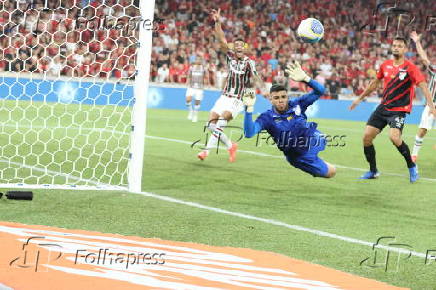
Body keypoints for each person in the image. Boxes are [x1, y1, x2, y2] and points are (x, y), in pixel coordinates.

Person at [349, 37, 436, 183]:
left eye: (399, 46)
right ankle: (373, 171)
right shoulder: (385, 65)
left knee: (394, 137)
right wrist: (360, 98)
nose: (396, 48)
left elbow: (423, 86)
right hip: (383, 107)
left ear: (405, 49)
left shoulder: (411, 68)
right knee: (366, 137)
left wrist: (432, 107)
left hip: (399, 110)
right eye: (394, 45)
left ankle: (412, 166)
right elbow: (375, 83)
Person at [243, 61, 336, 178]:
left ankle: (317, 154)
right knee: (331, 173)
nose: (280, 100)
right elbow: (249, 133)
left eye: (283, 97)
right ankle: (319, 163)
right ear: (271, 100)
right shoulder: (267, 118)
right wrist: (249, 109)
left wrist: (306, 79)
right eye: (276, 98)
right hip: (299, 156)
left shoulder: (297, 104)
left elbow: (320, 91)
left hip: (312, 138)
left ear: (287, 96)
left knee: (322, 139)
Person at [197, 8, 266, 162]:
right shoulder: (230, 58)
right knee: (210, 125)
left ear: (245, 48)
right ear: (234, 48)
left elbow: (256, 77)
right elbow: (221, 39)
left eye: (242, 45)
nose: (239, 46)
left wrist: (266, 92)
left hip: (237, 99)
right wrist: (218, 21)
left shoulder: (249, 63)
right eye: (236, 45)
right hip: (224, 97)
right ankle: (230, 145)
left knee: (221, 122)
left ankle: (206, 151)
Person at [409, 31, 436, 162]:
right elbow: (424, 58)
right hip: (432, 104)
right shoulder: (435, 70)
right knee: (423, 130)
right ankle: (414, 155)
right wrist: (417, 42)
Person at [185, 56, 207, 122]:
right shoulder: (191, 67)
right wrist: (187, 81)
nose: (198, 61)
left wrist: (206, 84)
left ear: (201, 61)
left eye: (199, 60)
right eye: (197, 59)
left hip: (200, 87)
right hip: (191, 86)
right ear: (195, 60)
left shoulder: (203, 68)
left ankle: (195, 115)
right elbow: (189, 75)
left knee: (197, 102)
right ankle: (190, 111)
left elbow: (206, 76)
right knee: (188, 99)